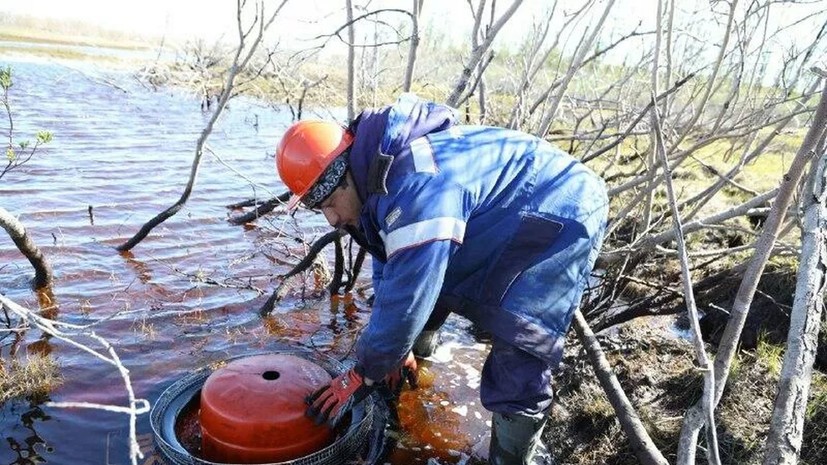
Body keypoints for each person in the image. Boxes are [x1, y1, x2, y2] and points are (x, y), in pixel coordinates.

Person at [275, 93, 608, 465]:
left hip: (561, 206)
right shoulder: (376, 179)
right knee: (427, 286)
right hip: (504, 208)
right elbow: (392, 264)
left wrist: (362, 373)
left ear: (343, 179)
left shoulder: (414, 187)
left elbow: (410, 295)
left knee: (520, 339)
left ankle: (510, 457)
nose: (332, 221)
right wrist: (394, 351)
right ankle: (418, 373)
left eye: (327, 205)